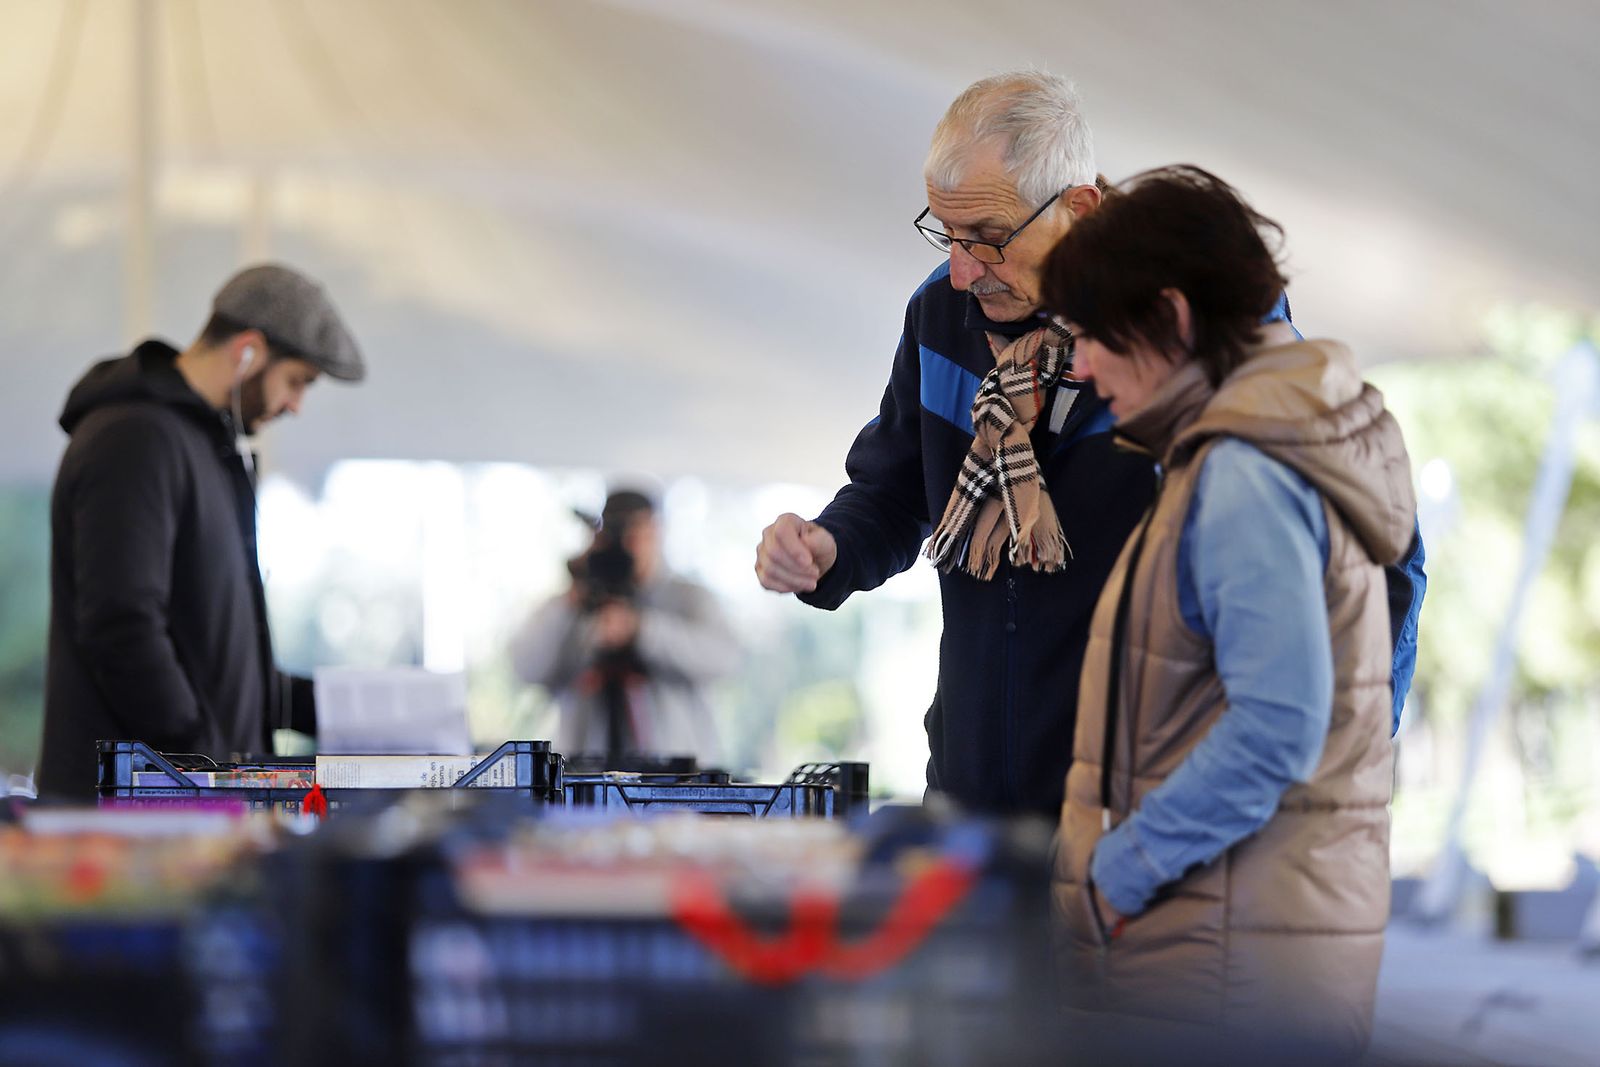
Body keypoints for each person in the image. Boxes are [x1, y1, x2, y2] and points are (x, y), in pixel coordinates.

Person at [756, 69, 1426, 819]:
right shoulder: (938, 318)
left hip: (1145, 817)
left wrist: (1332, 763)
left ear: (1078, 208)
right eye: (945, 234)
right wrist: (829, 546)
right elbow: (893, 490)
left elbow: (1380, 561)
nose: (961, 269)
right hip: (974, 802)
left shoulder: (1194, 341)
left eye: (987, 238)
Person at [1043, 166, 1413, 1060]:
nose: (1082, 367)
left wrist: (1113, 878)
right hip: (1233, 951)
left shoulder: (1245, 472)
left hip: (1222, 968)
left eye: (1094, 335)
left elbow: (1278, 725)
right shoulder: (1249, 448)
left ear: (1171, 318)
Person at [38, 263, 366, 801]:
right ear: (248, 351)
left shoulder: (200, 449)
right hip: (133, 824)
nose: (296, 405)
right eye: (297, 381)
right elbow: (123, 627)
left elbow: (212, 655)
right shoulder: (134, 438)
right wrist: (207, 765)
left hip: (183, 808)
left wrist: (355, 710)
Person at [510, 489, 738, 765]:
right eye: (617, 535)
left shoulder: (687, 598)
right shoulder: (577, 602)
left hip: (674, 781)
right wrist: (573, 597)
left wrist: (641, 630)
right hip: (584, 779)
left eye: (637, 533)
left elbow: (726, 659)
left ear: (657, 531)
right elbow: (525, 666)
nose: (627, 545)